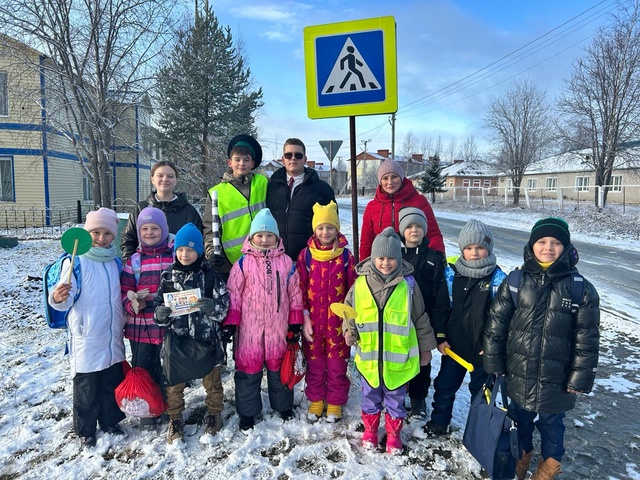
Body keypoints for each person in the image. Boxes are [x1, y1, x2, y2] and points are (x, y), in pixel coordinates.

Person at [484, 217, 600, 480]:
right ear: (532, 245)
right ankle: (520, 462)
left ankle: (547, 470)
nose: (548, 247)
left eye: (556, 242)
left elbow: (587, 339)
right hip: (519, 372)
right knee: (519, 421)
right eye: (542, 241)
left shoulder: (581, 289)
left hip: (556, 379)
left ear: (566, 247)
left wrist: (579, 378)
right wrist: (494, 363)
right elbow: (497, 324)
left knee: (552, 426)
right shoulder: (515, 281)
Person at [343, 227, 436, 455]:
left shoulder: (409, 286)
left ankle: (394, 435)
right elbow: (349, 312)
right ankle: (371, 431)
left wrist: (426, 348)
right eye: (381, 258)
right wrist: (349, 331)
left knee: (396, 399)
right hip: (370, 358)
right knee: (370, 396)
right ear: (373, 258)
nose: (386, 263)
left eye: (391, 258)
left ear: (399, 259)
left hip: (398, 359)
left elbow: (420, 317)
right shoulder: (360, 285)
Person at [48, 208, 127, 448]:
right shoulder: (76, 262)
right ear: (86, 233)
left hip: (112, 331)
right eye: (95, 232)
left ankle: (109, 420)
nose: (101, 238)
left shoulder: (115, 262)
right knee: (86, 383)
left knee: (110, 378)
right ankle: (85, 429)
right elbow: (63, 301)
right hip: (87, 333)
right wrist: (58, 297)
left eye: (107, 233)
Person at [222, 208, 304, 433]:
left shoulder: (287, 263)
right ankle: (248, 413)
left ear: (277, 238)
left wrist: (295, 321)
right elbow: (234, 294)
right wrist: (231, 321)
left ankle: (284, 406)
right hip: (249, 330)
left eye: (269, 236)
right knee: (248, 370)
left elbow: (295, 293)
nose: (265, 240)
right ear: (251, 237)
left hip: (279, 328)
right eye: (260, 235)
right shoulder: (242, 263)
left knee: (280, 370)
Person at [423, 219, 505, 437]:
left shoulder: (497, 279)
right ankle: (439, 423)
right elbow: (442, 308)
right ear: (462, 250)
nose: (474, 253)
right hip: (455, 347)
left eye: (480, 247)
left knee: (482, 393)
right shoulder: (452, 275)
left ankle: (480, 432)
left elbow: (502, 317)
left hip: (482, 351)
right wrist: (440, 337)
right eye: (469, 248)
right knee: (444, 387)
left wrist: (492, 346)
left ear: (488, 249)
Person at [153, 222, 229, 445]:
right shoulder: (168, 276)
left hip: (206, 339)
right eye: (180, 249)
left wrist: (212, 307)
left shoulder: (210, 275)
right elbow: (157, 307)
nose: (185, 254)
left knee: (213, 382)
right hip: (177, 339)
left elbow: (225, 305)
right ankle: (175, 418)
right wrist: (160, 313)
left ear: (198, 252)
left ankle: (214, 414)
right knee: (174, 385)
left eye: (190, 249)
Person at [296, 201, 357, 423]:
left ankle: (334, 401)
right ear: (314, 229)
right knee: (315, 362)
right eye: (320, 228)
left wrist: (349, 321)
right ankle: (316, 399)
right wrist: (303, 316)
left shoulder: (345, 256)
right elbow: (299, 287)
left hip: (337, 324)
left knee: (336, 363)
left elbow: (353, 290)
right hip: (312, 321)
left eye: (330, 227)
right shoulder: (306, 256)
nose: (325, 232)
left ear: (337, 229)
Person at [120, 207, 174, 430]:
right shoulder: (133, 261)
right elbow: (124, 291)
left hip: (168, 325)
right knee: (143, 367)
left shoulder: (174, 256)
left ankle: (168, 407)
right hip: (140, 327)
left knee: (167, 369)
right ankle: (147, 409)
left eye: (155, 228)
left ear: (164, 230)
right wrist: (132, 302)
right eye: (145, 229)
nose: (150, 232)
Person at [397, 207, 450, 420]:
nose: (414, 230)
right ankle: (397, 396)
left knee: (422, 361)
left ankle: (418, 399)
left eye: (418, 226)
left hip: (423, 320)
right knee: (398, 359)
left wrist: (439, 330)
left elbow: (440, 296)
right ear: (402, 230)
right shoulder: (395, 254)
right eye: (409, 226)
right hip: (398, 318)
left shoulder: (433, 258)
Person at [204, 134, 268, 281]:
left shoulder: (263, 183)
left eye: (246, 160)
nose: (241, 164)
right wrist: (211, 253)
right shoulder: (216, 193)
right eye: (237, 160)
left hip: (263, 257)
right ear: (230, 162)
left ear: (252, 163)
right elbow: (209, 228)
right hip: (231, 262)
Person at [360, 158, 445, 261]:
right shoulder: (372, 207)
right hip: (385, 265)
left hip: (416, 262)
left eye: (394, 177)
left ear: (401, 178)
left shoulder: (419, 201)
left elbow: (433, 233)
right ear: (380, 181)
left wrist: (437, 257)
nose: (390, 182)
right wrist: (364, 265)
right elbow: (366, 241)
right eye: (385, 178)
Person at [266, 137, 336, 261]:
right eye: (288, 155)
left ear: (305, 159)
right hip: (275, 259)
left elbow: (333, 223)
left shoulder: (321, 189)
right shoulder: (270, 187)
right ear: (283, 160)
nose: (293, 158)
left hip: (309, 259)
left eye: (298, 155)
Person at [121, 160, 203, 262]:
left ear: (176, 180)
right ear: (152, 179)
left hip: (178, 272)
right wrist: (131, 266)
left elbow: (198, 244)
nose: (165, 179)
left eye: (170, 176)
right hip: (144, 273)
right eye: (160, 175)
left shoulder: (189, 211)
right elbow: (128, 241)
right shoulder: (140, 209)